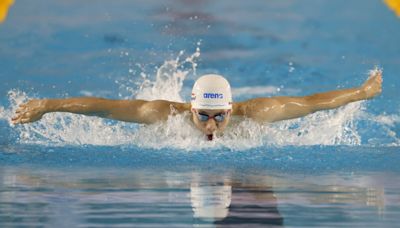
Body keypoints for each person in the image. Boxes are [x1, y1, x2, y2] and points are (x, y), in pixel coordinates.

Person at [11, 70, 382, 140]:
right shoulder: (161, 114)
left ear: (232, 110)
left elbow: (311, 103)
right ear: (188, 109)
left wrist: (360, 93)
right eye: (202, 115)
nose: (210, 125)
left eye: (219, 117)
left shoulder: (258, 113)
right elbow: (105, 107)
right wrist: (49, 105)